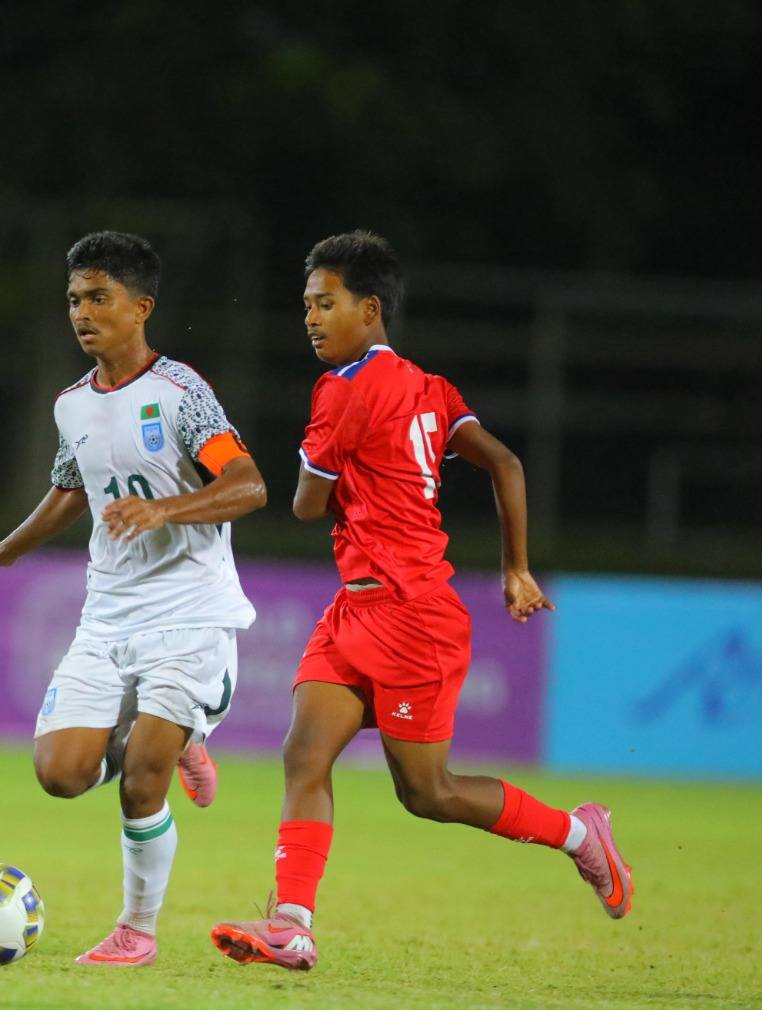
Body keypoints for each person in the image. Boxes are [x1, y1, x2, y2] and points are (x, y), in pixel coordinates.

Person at [209, 230, 632, 972]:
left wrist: (334, 470)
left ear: (370, 308)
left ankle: (578, 834)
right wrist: (516, 569)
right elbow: (505, 463)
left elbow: (306, 504)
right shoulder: (433, 389)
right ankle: (292, 924)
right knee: (304, 753)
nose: (310, 319)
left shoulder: (343, 388)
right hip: (357, 608)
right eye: (306, 305)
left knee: (427, 793)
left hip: (411, 616)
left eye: (325, 304)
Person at [0, 230, 267, 966]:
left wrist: (165, 509)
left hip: (189, 615)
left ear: (141, 307)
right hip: (108, 618)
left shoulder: (181, 394)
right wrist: (4, 549)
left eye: (98, 298)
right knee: (60, 775)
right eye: (73, 300)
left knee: (142, 781)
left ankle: (137, 930)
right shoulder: (71, 406)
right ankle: (179, 739)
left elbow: (248, 485)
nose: (82, 313)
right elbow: (70, 490)